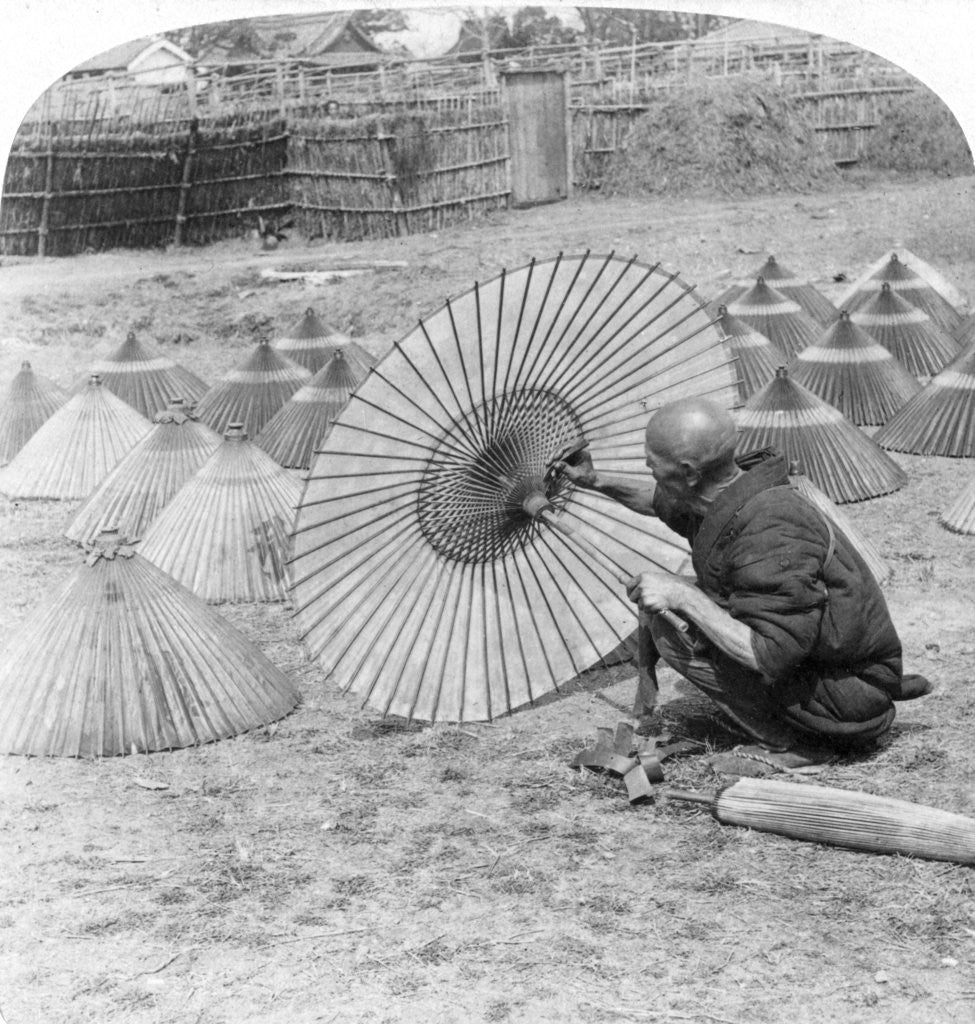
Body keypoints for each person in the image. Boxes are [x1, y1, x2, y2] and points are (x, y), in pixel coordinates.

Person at [558, 397, 930, 774]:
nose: (648, 468)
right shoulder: (727, 490)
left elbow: (770, 653)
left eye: (653, 463)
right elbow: (658, 500)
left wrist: (683, 595)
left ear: (688, 472)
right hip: (823, 665)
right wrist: (594, 480)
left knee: (671, 627)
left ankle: (799, 746)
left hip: (848, 692)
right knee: (670, 614)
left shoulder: (771, 529)